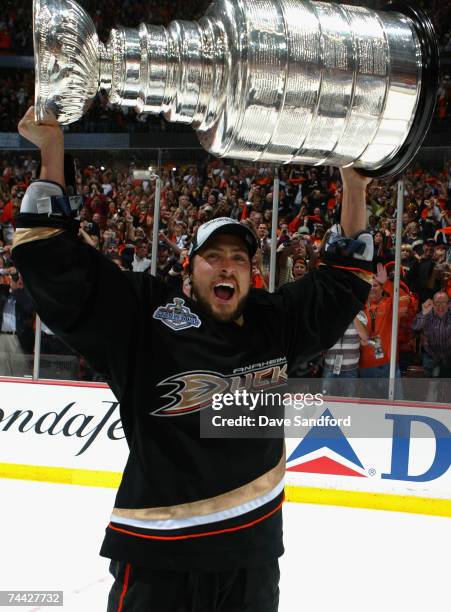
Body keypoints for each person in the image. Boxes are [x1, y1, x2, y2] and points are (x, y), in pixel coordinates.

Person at [13, 107, 372, 612]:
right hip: (161, 558)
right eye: (213, 256)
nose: (227, 266)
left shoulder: (275, 323)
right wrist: (53, 150)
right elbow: (62, 270)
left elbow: (342, 279)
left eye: (240, 259)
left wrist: (353, 184)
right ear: (189, 270)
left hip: (251, 557)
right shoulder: (147, 316)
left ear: (252, 274)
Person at [412, 292, 451, 377]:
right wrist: (424, 314)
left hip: (448, 357)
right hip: (430, 356)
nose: (440, 305)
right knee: (429, 385)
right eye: (437, 302)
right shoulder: (426, 314)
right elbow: (415, 327)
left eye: (443, 302)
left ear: (449, 304)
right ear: (433, 304)